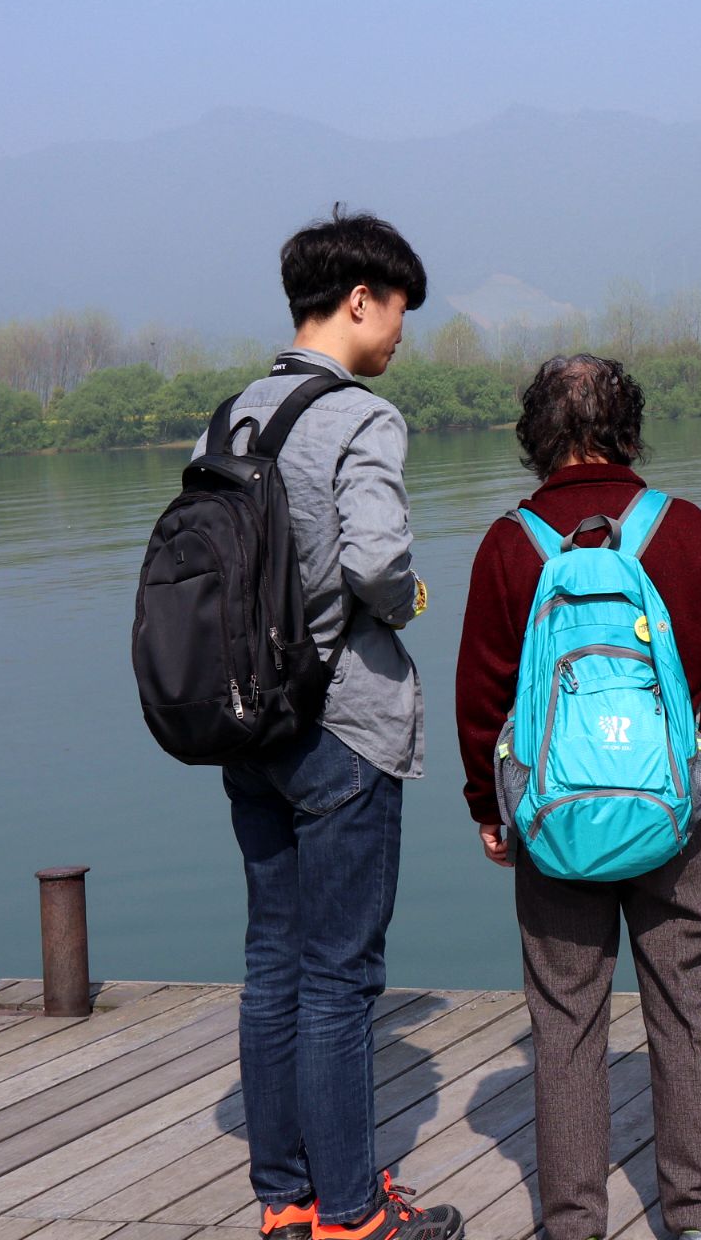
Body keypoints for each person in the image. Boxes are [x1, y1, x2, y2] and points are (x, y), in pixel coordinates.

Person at [456, 354, 701, 1240]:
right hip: (676, 811)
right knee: (685, 1005)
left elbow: (481, 697)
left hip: (553, 821)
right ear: (629, 428)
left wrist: (490, 809)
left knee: (564, 1022)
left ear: (536, 435)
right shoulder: (687, 530)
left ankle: (573, 1223)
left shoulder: (509, 544)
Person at [210, 208, 463, 1240]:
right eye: (400, 310)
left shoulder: (230, 416)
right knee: (341, 976)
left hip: (246, 729)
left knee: (272, 959)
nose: (401, 333)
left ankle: (288, 1200)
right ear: (361, 300)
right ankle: (354, 1215)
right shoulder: (363, 417)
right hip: (342, 729)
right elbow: (375, 561)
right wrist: (407, 604)